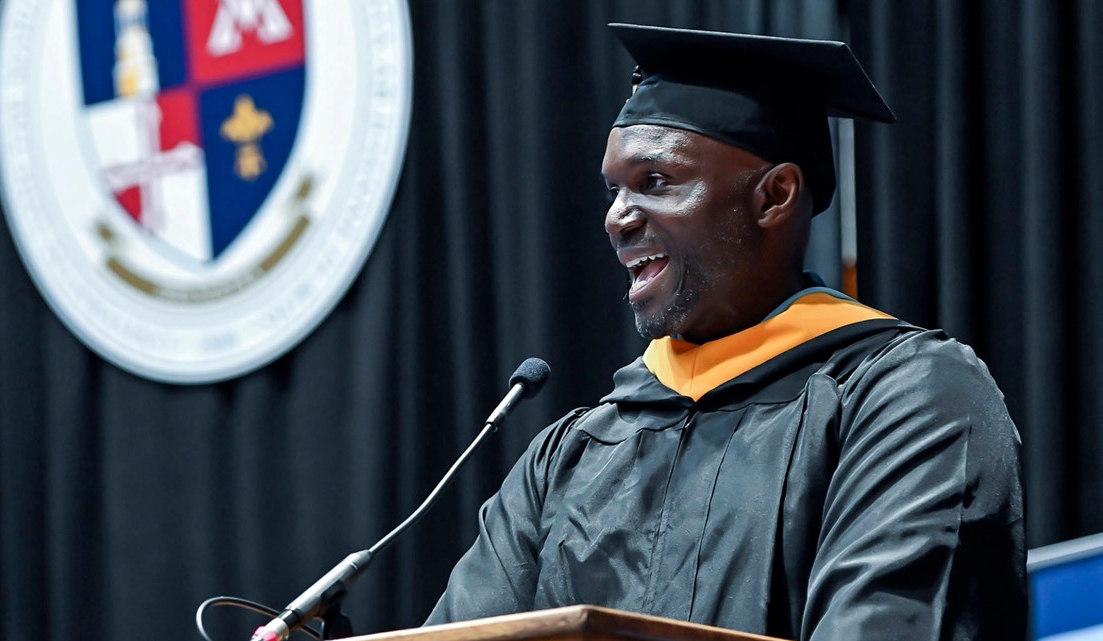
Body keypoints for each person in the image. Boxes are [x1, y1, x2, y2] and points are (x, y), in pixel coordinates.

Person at [426, 23, 1025, 641]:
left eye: (655, 182)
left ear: (775, 195)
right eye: (614, 189)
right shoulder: (569, 457)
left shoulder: (905, 397)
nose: (616, 218)